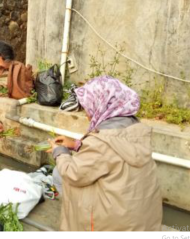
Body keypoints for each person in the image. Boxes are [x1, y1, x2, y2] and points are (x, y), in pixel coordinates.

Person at [48, 76, 162, 231]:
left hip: (113, 223)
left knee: (59, 173)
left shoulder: (101, 142)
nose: (87, 115)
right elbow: (110, 155)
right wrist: (76, 144)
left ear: (101, 104)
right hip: (140, 219)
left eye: (88, 108)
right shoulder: (137, 130)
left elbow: (74, 173)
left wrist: (59, 151)